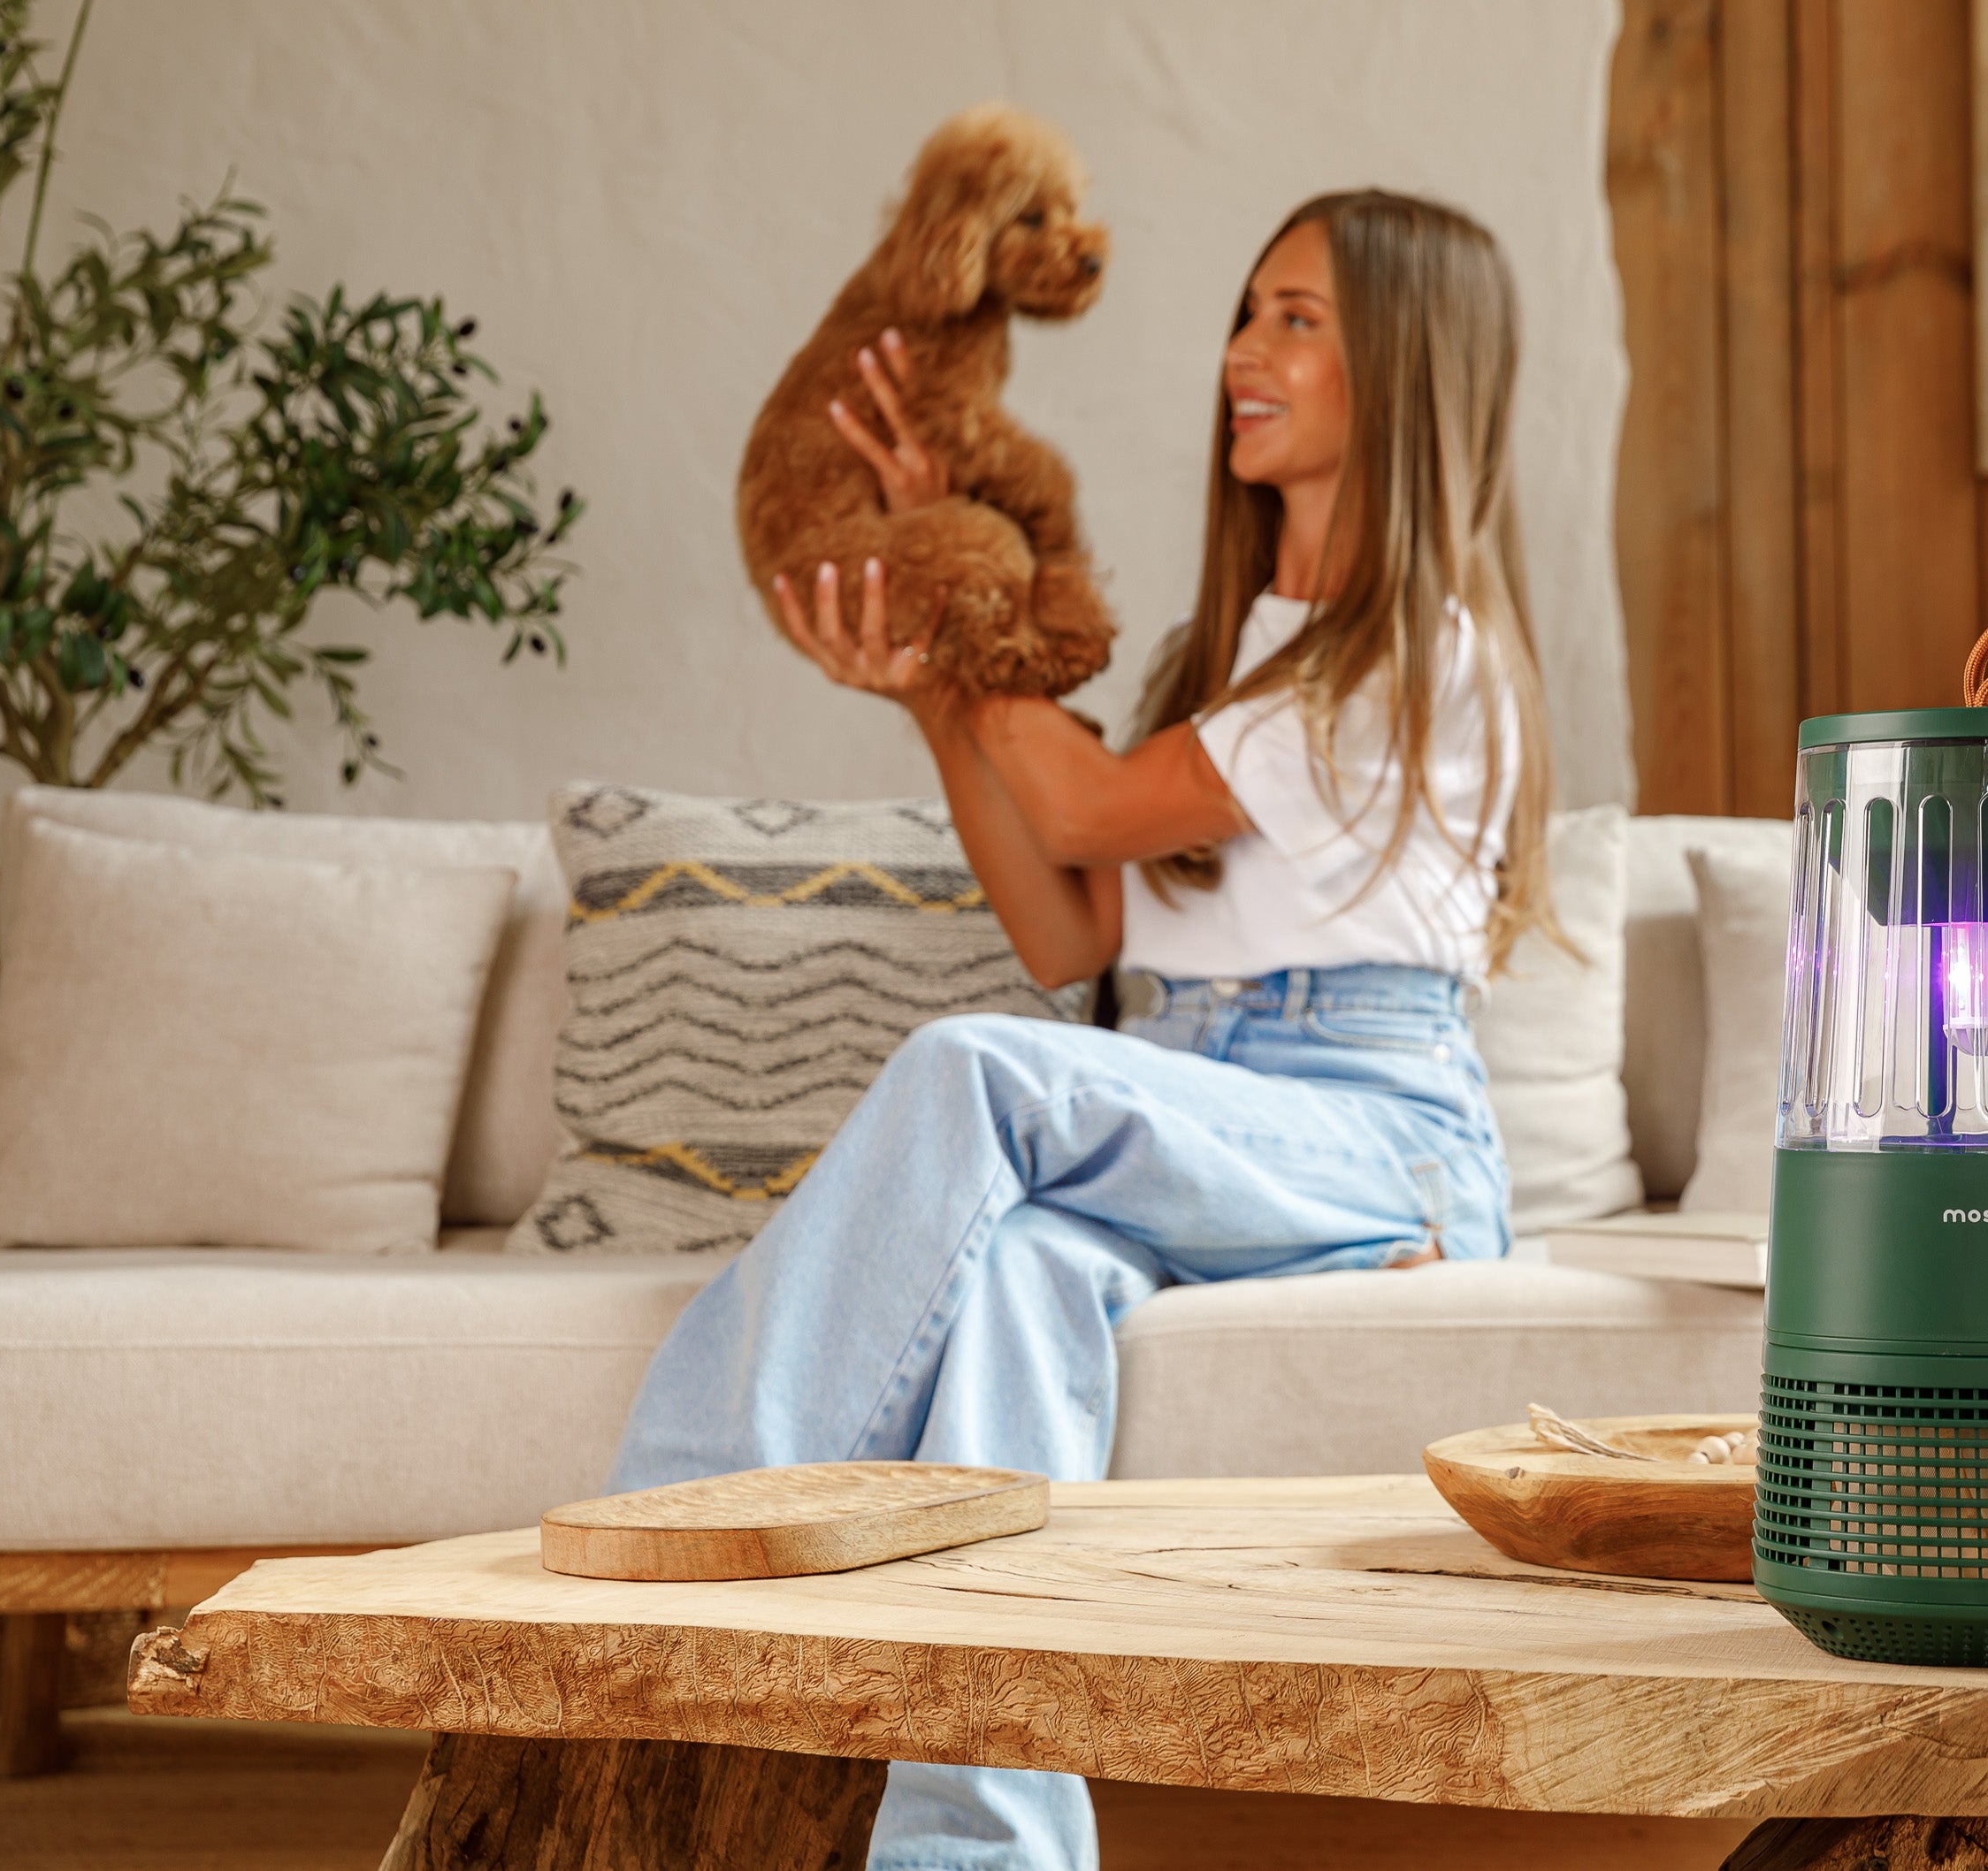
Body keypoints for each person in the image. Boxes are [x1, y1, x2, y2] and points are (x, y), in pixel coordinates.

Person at [608, 189, 1557, 1871]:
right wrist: (925, 681)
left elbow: (1097, 801)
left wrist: (945, 588)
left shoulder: (1418, 655)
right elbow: (1072, 928)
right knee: (1024, 1274)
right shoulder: (1232, 658)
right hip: (1199, 1096)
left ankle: (689, 1520)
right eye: (1248, 309)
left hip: (1376, 1128)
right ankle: (977, 1852)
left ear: (1408, 371)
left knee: (976, 1070)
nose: (1240, 353)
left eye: (1296, 321)